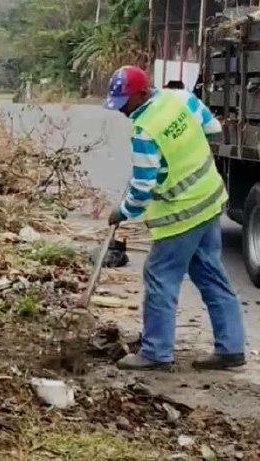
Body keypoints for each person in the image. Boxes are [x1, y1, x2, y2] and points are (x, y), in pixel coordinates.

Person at [104, 66, 246, 371]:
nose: (122, 111)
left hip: (181, 215)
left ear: (142, 93)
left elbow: (142, 187)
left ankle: (156, 353)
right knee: (211, 274)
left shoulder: (144, 129)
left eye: (125, 103)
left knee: (159, 276)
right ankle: (231, 347)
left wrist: (123, 211)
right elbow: (212, 128)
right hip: (209, 200)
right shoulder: (180, 98)